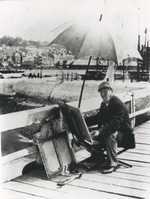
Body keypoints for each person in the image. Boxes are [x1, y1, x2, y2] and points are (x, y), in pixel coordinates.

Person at [92, 81, 134, 173]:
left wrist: (100, 131)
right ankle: (100, 158)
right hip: (111, 130)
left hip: (124, 134)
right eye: (101, 92)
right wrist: (82, 120)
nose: (103, 94)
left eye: (105, 91)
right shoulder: (104, 104)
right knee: (90, 137)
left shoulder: (117, 103)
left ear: (111, 92)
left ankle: (113, 163)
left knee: (110, 135)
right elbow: (98, 118)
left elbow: (115, 123)